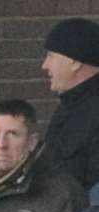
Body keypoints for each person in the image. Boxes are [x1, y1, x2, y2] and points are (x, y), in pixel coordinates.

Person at [41, 17, 99, 193]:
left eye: (51, 56)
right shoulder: (69, 108)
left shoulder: (93, 112)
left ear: (75, 62)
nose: (44, 65)